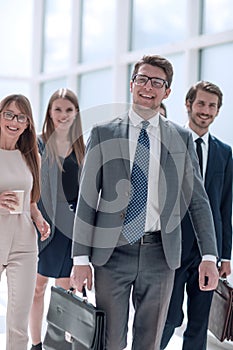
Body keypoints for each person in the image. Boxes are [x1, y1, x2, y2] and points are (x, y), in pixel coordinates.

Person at [71, 55, 219, 350]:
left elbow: (198, 201)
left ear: (167, 92)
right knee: (109, 340)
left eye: (157, 82)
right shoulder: (104, 133)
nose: (147, 87)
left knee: (149, 341)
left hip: (160, 255)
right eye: (142, 79)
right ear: (131, 84)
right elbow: (87, 200)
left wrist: (209, 256)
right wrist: (79, 259)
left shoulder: (180, 138)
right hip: (111, 253)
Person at [160, 81, 232, 350]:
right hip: (173, 248)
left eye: (212, 106)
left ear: (218, 111)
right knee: (168, 318)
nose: (206, 110)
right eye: (201, 103)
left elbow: (225, 209)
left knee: (200, 323)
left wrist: (224, 255)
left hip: (207, 253)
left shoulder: (224, 153)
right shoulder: (170, 144)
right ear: (188, 104)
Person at [29, 88, 85, 350]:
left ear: (76, 114)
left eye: (69, 110)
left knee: (63, 293)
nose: (63, 115)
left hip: (71, 230)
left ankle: (56, 344)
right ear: (50, 113)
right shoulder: (37, 143)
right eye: (58, 109)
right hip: (45, 226)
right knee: (37, 289)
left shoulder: (82, 148)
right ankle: (36, 343)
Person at [0, 94, 50, 350]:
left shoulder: (31, 156)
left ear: (28, 123)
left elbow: (31, 202)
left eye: (21, 117)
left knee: (18, 322)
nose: (14, 121)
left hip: (24, 244)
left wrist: (39, 219)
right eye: (9, 114)